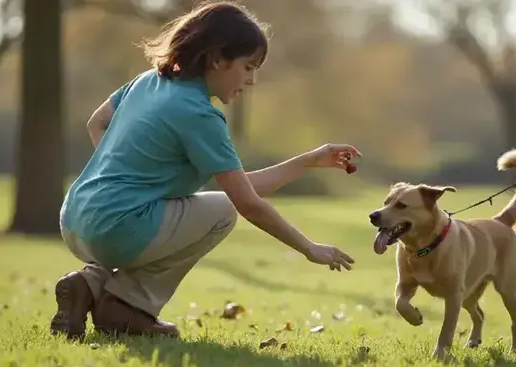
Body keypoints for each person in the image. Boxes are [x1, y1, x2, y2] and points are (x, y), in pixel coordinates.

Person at [51, 1, 360, 341]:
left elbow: (98, 122)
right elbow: (246, 203)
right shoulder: (199, 115)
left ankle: (89, 284)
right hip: (116, 229)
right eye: (248, 67)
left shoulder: (147, 82)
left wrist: (308, 160)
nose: (251, 81)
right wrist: (308, 247)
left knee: (215, 205)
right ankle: (127, 307)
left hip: (75, 218)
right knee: (223, 213)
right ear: (216, 59)